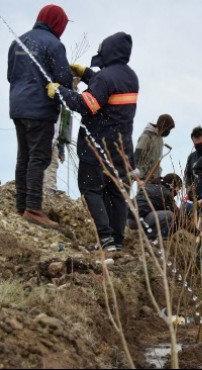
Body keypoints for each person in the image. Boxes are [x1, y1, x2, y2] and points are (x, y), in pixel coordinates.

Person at [46, 31, 139, 252]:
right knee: (116, 193)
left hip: (97, 146)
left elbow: (88, 104)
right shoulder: (129, 76)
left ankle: (105, 240)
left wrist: (59, 92)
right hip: (121, 149)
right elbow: (108, 90)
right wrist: (88, 74)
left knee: (91, 189)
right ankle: (116, 241)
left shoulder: (105, 78)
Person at [8, 4, 73, 228]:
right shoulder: (54, 44)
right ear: (58, 24)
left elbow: (10, 75)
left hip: (18, 106)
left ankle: (21, 205)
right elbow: (63, 78)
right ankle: (34, 208)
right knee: (40, 156)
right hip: (40, 108)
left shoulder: (18, 41)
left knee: (23, 156)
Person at [128, 173, 182, 240]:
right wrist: (197, 232)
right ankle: (148, 239)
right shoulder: (166, 194)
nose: (177, 193)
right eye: (178, 190)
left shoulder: (148, 186)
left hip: (128, 220)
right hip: (138, 221)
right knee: (170, 215)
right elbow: (180, 216)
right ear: (173, 186)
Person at [134, 114, 175, 182]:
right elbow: (137, 156)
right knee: (143, 192)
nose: (168, 132)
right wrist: (138, 174)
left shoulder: (160, 139)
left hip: (154, 177)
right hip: (144, 177)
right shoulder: (147, 137)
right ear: (162, 125)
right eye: (168, 129)